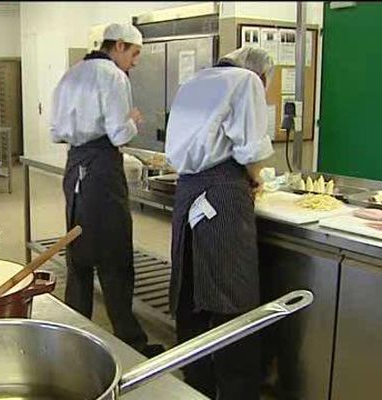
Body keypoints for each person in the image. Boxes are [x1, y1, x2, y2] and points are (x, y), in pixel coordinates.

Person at [165, 46, 275, 399]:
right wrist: (256, 179)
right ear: (260, 76)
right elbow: (251, 150)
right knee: (233, 299)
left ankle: (197, 386)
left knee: (192, 292)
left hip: (188, 193)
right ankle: (237, 391)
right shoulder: (246, 82)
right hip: (224, 194)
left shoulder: (194, 82)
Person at [50, 23, 164, 358]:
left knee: (79, 252)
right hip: (101, 170)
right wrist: (133, 120)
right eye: (134, 53)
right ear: (118, 46)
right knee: (114, 256)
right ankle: (130, 341)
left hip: (75, 169)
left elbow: (56, 132)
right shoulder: (113, 76)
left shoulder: (70, 75)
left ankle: (75, 332)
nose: (135, 61)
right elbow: (118, 135)